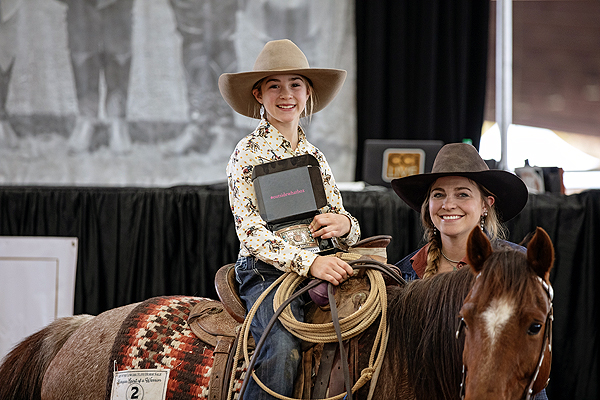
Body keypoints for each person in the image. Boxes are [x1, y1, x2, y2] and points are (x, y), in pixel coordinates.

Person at [219, 39, 361, 399]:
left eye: (295, 84)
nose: (286, 94)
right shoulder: (246, 153)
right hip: (266, 270)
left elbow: (339, 214)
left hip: (320, 263)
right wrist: (310, 262)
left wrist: (345, 226)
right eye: (274, 86)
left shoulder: (315, 156)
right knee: (281, 349)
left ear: (308, 91)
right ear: (259, 94)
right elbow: (250, 232)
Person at [391, 142, 549, 400]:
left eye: (462, 194)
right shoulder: (405, 274)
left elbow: (531, 350)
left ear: (486, 204)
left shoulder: (516, 265)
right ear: (428, 205)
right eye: (438, 195)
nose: (448, 204)